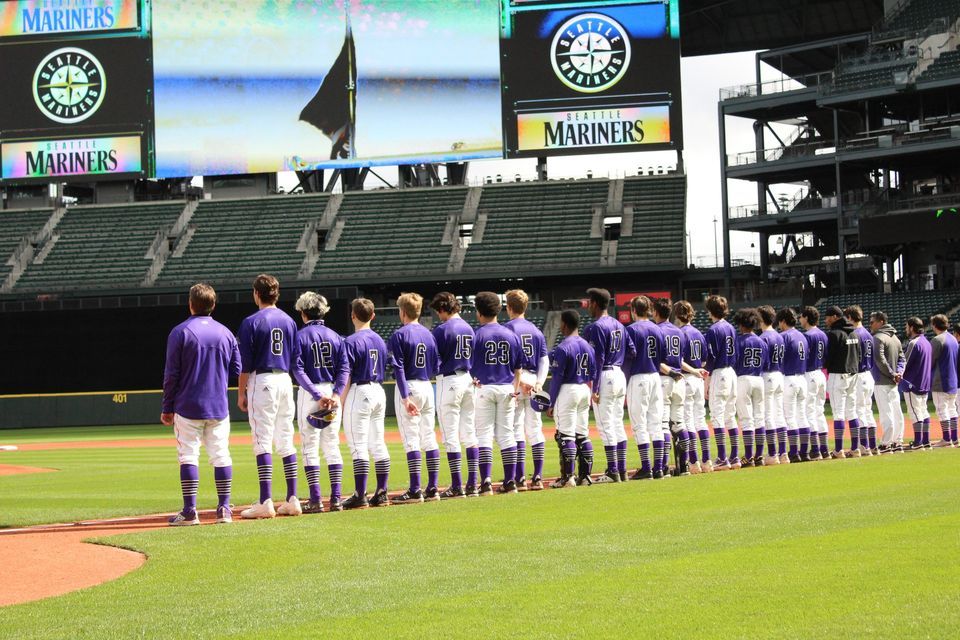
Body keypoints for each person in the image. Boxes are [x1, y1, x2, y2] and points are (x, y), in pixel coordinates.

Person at [162, 283, 241, 526]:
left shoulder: (180, 332)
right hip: (218, 405)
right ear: (213, 305)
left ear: (191, 304)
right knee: (221, 455)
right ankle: (224, 509)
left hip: (188, 405)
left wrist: (167, 406)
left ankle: (189, 511)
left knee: (188, 456)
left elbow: (171, 374)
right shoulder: (226, 333)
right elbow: (237, 369)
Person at [237, 274, 300, 519]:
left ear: (256, 293)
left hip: (262, 380)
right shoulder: (289, 321)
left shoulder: (251, 321)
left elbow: (244, 364)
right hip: (285, 380)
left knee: (262, 440)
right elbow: (295, 358)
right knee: (285, 439)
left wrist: (241, 392)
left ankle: (265, 501)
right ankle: (293, 499)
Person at [292, 291, 349, 513]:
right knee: (332, 446)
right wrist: (335, 394)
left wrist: (316, 395)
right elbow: (344, 369)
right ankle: (336, 499)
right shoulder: (336, 336)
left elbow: (297, 369)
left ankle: (315, 499)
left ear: (304, 313)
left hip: (311, 393)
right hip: (331, 393)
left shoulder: (299, 336)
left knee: (309, 448)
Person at [337, 299, 392, 509]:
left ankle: (360, 495)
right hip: (379, 390)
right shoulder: (380, 340)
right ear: (373, 315)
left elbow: (346, 375)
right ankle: (382, 492)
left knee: (358, 446)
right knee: (378, 443)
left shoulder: (350, 341)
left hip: (360, 391)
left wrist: (340, 402)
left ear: (353, 316)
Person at [390, 293, 442, 503]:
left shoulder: (399, 334)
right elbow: (437, 365)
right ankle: (433, 488)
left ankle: (414, 490)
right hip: (427, 386)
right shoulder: (429, 334)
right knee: (429, 436)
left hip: (409, 385)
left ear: (403, 312)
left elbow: (398, 367)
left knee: (411, 439)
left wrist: (405, 397)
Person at [470, 291, 523, 494]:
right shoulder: (511, 334)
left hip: (485, 387)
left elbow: (470, 368)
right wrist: (515, 391)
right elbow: (518, 369)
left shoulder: (477, 335)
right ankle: (510, 482)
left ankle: (486, 482)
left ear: (479, 311)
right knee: (507, 435)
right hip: (507, 387)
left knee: (484, 435)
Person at [430, 292, 479, 497]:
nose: (438, 315)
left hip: (449, 380)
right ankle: (473, 484)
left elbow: (434, 361)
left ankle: (457, 486)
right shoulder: (469, 328)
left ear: (442, 308)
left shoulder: (441, 330)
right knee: (469, 433)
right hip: (468, 379)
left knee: (450, 435)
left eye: (438, 311)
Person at [546, 310, 597, 488]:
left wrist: (551, 402)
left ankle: (568, 478)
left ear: (565, 324)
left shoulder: (563, 347)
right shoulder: (588, 346)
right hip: (585, 388)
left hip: (568, 389)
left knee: (565, 435)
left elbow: (557, 379)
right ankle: (585, 476)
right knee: (582, 435)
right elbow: (593, 373)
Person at [583, 288, 629, 482]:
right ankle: (622, 469)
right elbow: (632, 351)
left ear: (595, 303)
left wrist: (595, 387)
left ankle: (612, 470)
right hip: (619, 374)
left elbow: (599, 358)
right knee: (617, 423)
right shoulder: (620, 325)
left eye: (589, 302)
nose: (587, 306)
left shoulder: (596, 327)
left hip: (605, 375)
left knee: (605, 425)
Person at [504, 289, 549, 489]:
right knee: (535, 430)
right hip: (533, 381)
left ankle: (520, 478)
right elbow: (544, 360)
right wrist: (539, 382)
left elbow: (507, 361)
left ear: (509, 307)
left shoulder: (507, 329)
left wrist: (519, 381)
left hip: (515, 381)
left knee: (516, 431)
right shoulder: (536, 330)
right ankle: (537, 477)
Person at [623, 296, 665, 479]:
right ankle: (659, 468)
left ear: (633, 310)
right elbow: (662, 356)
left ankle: (647, 467)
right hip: (655, 376)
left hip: (638, 376)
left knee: (639, 424)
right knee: (656, 423)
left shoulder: (631, 329)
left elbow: (627, 357)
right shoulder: (658, 329)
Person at [673, 301, 711, 473]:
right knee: (701, 420)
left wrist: (693, 370)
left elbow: (678, 361)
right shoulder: (698, 333)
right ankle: (707, 460)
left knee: (687, 421)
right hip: (698, 379)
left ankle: (694, 462)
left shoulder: (679, 333)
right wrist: (697, 370)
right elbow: (704, 360)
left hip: (687, 377)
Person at [703, 295, 740, 470]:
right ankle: (734, 457)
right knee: (730, 415)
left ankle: (722, 458)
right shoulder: (731, 327)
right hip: (732, 372)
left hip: (720, 372)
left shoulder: (713, 330)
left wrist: (707, 378)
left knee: (717, 416)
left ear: (710, 310)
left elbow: (711, 357)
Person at [823, 305, 861, 459]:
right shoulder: (854, 333)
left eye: (827, 317)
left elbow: (829, 357)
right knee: (851, 412)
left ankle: (839, 450)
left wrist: (826, 365)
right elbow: (859, 355)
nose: (825, 320)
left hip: (838, 375)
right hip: (853, 374)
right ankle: (855, 448)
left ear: (834, 317)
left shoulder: (834, 334)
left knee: (838, 413)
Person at [733, 308, 768, 467]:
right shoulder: (762, 341)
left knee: (746, 419)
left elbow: (733, 363)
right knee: (759, 418)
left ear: (741, 323)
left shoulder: (738, 341)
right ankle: (759, 456)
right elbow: (766, 363)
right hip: (758, 379)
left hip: (743, 378)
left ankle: (748, 457)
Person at [869, 311, 905, 453]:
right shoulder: (895, 338)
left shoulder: (877, 338)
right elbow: (902, 358)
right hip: (894, 381)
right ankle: (898, 441)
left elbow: (880, 360)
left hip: (882, 380)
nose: (870, 324)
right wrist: (899, 373)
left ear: (881, 322)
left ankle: (886, 443)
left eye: (872, 322)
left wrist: (892, 373)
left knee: (886, 413)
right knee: (897, 411)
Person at [777, 307, 809, 462]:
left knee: (789, 416)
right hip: (802, 378)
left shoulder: (783, 336)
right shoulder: (802, 336)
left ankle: (794, 452)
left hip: (788, 378)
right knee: (802, 415)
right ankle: (804, 451)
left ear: (783, 321)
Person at [845, 306, 877, 455]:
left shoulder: (854, 334)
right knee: (867, 410)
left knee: (859, 411)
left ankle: (864, 446)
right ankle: (872, 445)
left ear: (850, 317)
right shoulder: (869, 334)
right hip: (869, 375)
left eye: (847, 317)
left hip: (858, 375)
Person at [757, 305, 786, 465]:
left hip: (767, 375)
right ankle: (783, 453)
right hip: (779, 375)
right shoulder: (779, 336)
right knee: (779, 414)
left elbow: (761, 362)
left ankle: (773, 453)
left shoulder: (763, 338)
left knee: (768, 415)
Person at [800, 306, 829, 460]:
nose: (800, 320)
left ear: (806, 318)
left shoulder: (807, 336)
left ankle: (816, 449)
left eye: (801, 317)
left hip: (809, 373)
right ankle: (824, 449)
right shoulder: (823, 334)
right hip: (820, 374)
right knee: (819, 411)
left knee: (808, 411)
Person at [898, 317, 932, 450]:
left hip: (913, 382)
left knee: (915, 412)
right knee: (923, 411)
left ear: (912, 327)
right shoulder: (927, 342)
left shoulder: (914, 343)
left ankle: (918, 442)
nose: (906, 329)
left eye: (907, 327)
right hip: (924, 382)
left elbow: (905, 362)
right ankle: (926, 440)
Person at [929, 314, 958, 448]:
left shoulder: (937, 340)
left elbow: (930, 361)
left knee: (942, 410)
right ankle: (954, 437)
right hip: (954, 380)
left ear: (935, 325)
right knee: (952, 409)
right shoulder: (953, 339)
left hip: (940, 380)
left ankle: (946, 439)